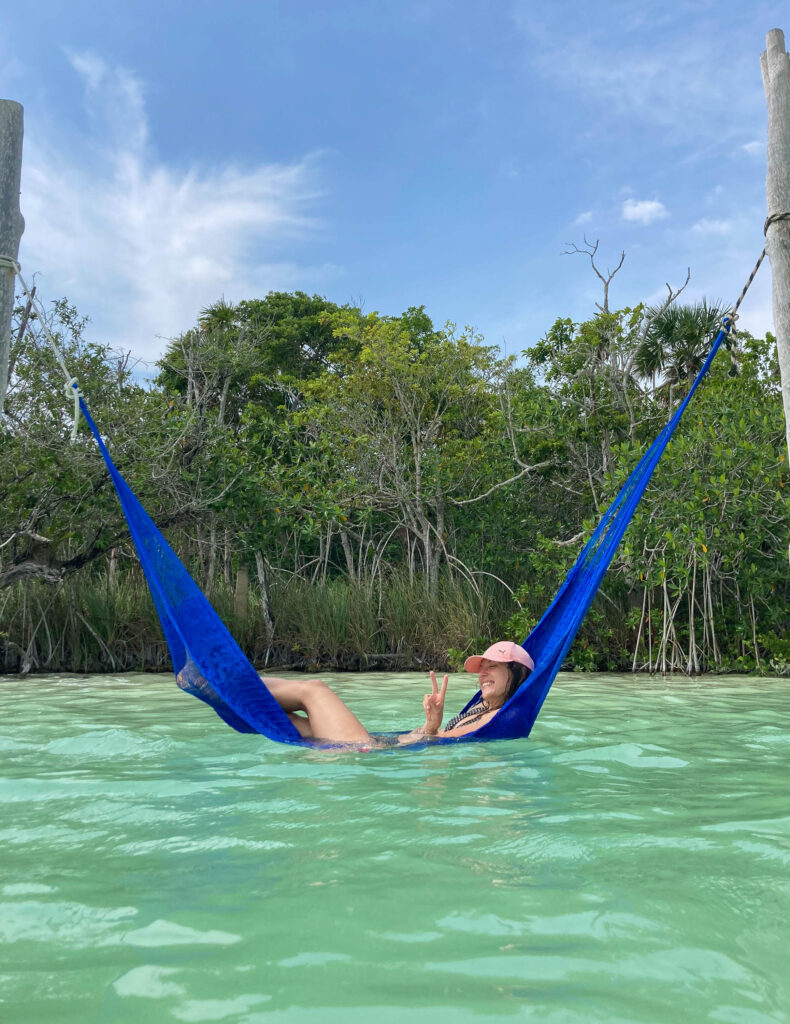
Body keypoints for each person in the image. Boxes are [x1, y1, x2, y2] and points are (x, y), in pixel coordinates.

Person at [261, 641, 534, 746]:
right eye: (481, 669)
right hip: (379, 745)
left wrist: (431, 731)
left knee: (314, 691)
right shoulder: (479, 712)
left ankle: (237, 679)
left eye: (493, 667)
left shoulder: (500, 717)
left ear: (517, 674)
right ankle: (236, 692)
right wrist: (431, 724)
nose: (483, 674)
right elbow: (434, 739)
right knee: (290, 721)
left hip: (364, 751)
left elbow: (438, 746)